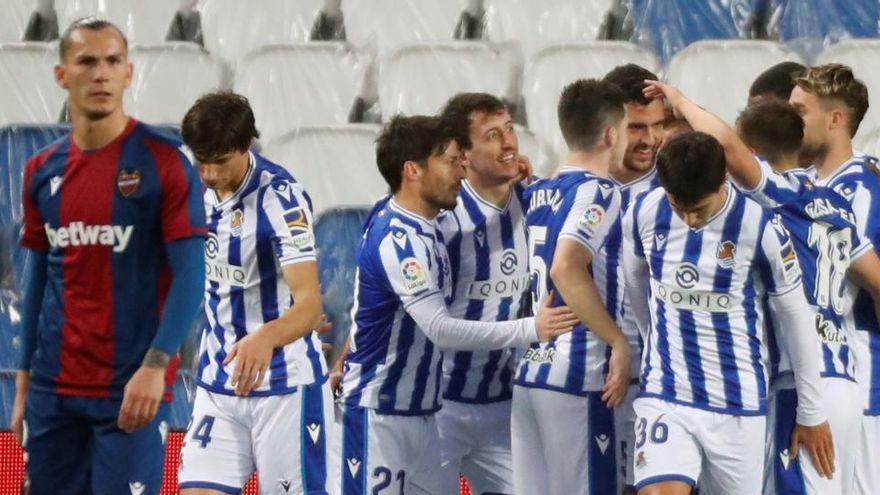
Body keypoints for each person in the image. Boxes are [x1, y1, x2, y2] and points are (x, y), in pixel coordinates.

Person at [646, 79, 880, 493]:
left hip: (803, 385)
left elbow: (726, 145)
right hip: (846, 380)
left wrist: (681, 100)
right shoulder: (835, 204)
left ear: (752, 154)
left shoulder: (777, 196)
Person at [11, 18, 206, 495]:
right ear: (62, 75)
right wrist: (23, 383)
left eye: (112, 62)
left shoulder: (165, 162)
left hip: (131, 391)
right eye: (87, 62)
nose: (101, 74)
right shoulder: (40, 171)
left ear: (129, 72)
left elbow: (191, 277)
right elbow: (37, 279)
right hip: (53, 393)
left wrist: (157, 365)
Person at [337, 115, 578, 494]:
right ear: (412, 170)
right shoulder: (401, 241)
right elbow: (441, 329)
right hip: (379, 417)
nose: (461, 173)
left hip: (425, 417)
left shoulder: (422, 221)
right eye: (450, 162)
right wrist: (532, 327)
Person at [622, 131, 832, 495]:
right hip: (666, 393)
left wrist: (811, 411)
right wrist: (655, 345)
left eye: (698, 209)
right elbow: (637, 284)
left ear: (722, 181)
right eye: (677, 206)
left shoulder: (759, 227)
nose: (688, 220)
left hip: (737, 404)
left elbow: (796, 316)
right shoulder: (644, 210)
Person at [175, 92, 335, 494]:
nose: (208, 173)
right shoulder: (189, 190)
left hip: (285, 388)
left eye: (220, 161)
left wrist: (265, 337)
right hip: (218, 384)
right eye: (202, 160)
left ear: (246, 146)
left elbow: (310, 303)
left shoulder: (280, 198)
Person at [512, 78, 633, 495]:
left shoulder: (539, 192)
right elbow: (566, 267)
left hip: (530, 375)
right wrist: (617, 340)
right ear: (610, 134)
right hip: (580, 377)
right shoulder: (601, 191)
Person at [788, 64, 880, 494]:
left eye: (800, 111)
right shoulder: (807, 183)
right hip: (827, 369)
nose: (791, 121)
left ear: (836, 119)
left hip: (863, 376)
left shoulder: (861, 188)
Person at [433, 93, 530, 495]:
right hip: (439, 406)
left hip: (502, 406)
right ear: (465, 156)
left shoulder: (536, 203)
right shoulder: (443, 220)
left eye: (509, 129)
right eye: (492, 135)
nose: (508, 142)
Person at [602, 64, 665, 494]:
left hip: (661, 382)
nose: (650, 140)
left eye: (657, 126)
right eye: (637, 127)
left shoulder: (680, 188)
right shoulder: (574, 188)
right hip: (597, 380)